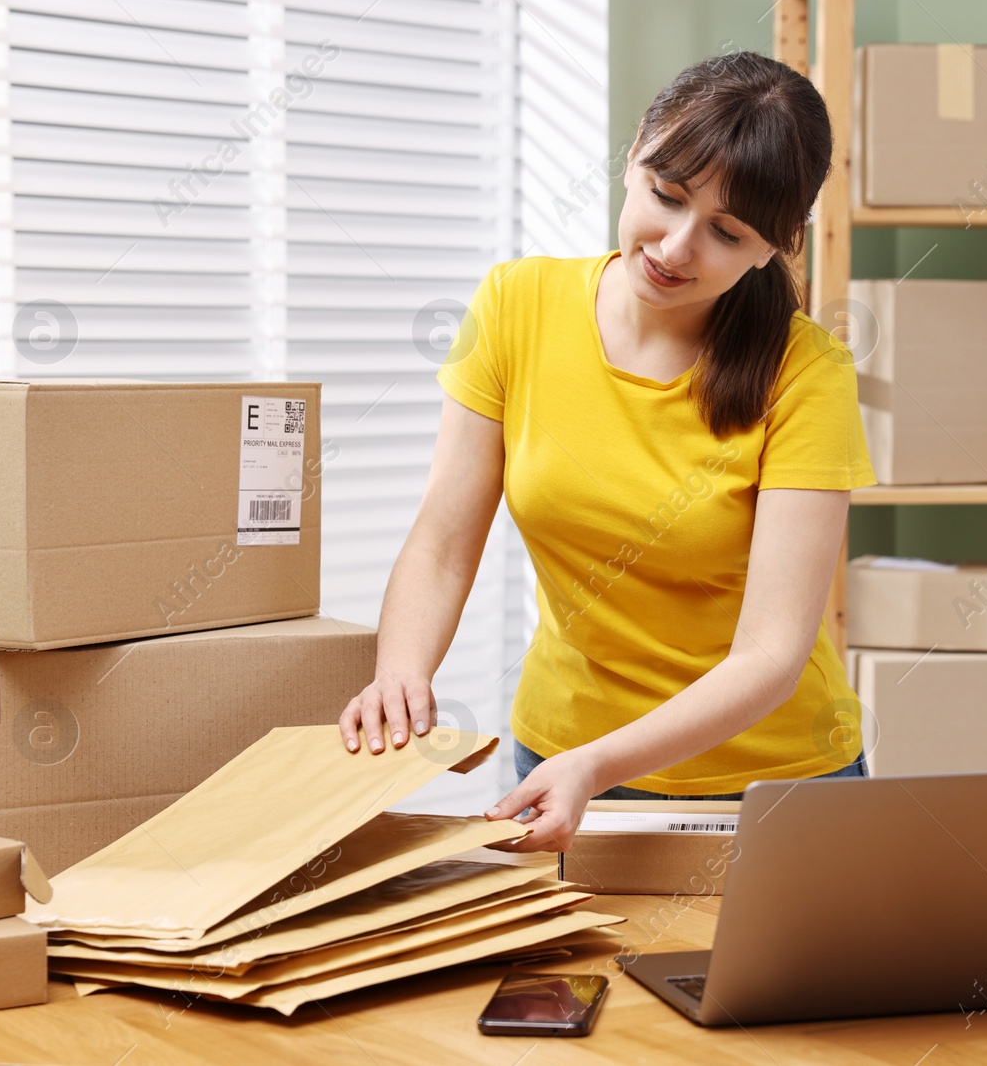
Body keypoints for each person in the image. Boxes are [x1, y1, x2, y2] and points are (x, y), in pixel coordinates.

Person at [337, 50, 876, 852]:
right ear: (635, 154)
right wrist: (401, 670)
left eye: (726, 233)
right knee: (579, 984)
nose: (675, 246)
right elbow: (446, 539)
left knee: (766, 983)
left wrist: (599, 762)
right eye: (666, 194)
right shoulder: (516, 304)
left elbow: (770, 653)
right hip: (562, 755)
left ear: (777, 245)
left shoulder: (807, 375)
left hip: (772, 782)